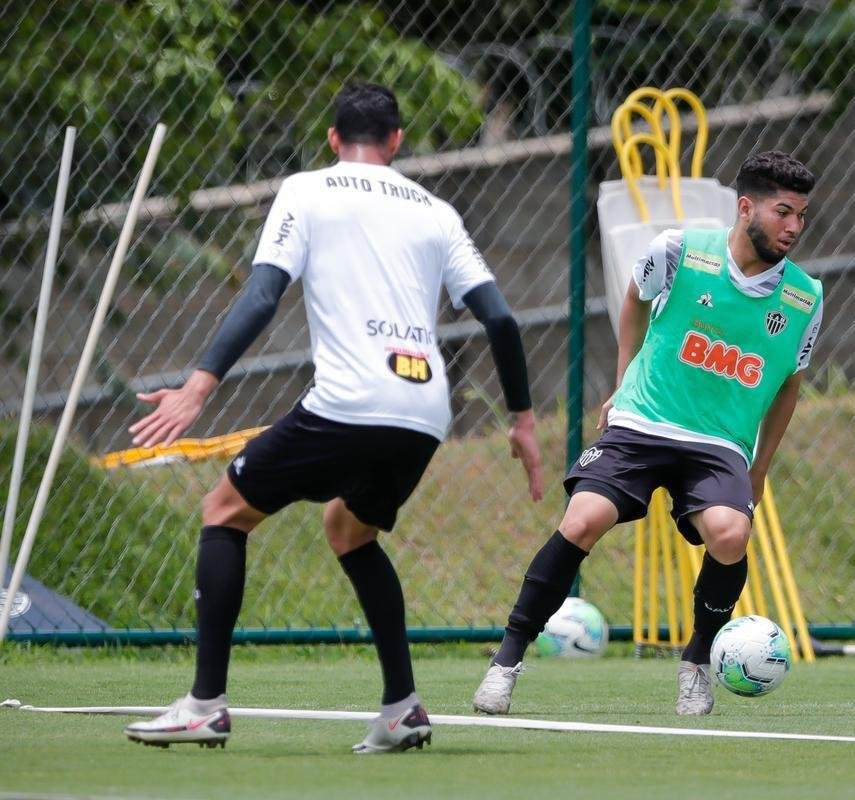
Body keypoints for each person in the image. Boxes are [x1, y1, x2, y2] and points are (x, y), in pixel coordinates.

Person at [123, 81, 543, 753]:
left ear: (331, 139)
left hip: (349, 401)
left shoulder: (307, 190)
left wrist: (197, 388)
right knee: (348, 529)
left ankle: (204, 704)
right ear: (397, 141)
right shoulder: (436, 210)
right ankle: (403, 705)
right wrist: (522, 420)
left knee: (223, 512)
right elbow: (499, 316)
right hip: (424, 411)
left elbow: (263, 294)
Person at [473, 150, 821, 717]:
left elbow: (789, 385)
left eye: (802, 215)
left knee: (731, 536)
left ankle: (695, 663)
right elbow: (635, 297)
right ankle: (506, 662)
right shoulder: (679, 250)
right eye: (783, 212)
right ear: (745, 207)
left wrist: (759, 467)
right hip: (642, 420)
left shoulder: (806, 298)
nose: (793, 227)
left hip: (719, 445)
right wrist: (623, 381)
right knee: (582, 520)